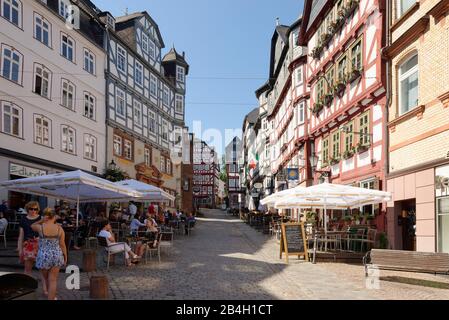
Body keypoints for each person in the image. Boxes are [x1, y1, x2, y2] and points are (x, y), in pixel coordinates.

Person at [31, 208, 67, 300]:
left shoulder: (40, 227)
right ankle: (51, 298)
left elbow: (32, 225)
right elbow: (62, 244)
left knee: (47, 279)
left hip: (43, 255)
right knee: (53, 280)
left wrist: (41, 220)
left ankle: (48, 294)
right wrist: (65, 256)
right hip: (57, 255)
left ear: (45, 216)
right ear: (54, 216)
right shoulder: (60, 228)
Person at [17, 201, 41, 276]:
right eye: (31, 209)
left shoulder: (41, 219)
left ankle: (44, 286)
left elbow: (45, 233)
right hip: (28, 246)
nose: (33, 211)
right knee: (27, 269)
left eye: (35, 209)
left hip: (39, 245)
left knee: (42, 268)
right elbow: (21, 236)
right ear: (28, 209)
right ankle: (26, 284)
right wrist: (20, 249)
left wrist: (40, 238)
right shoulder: (23, 220)